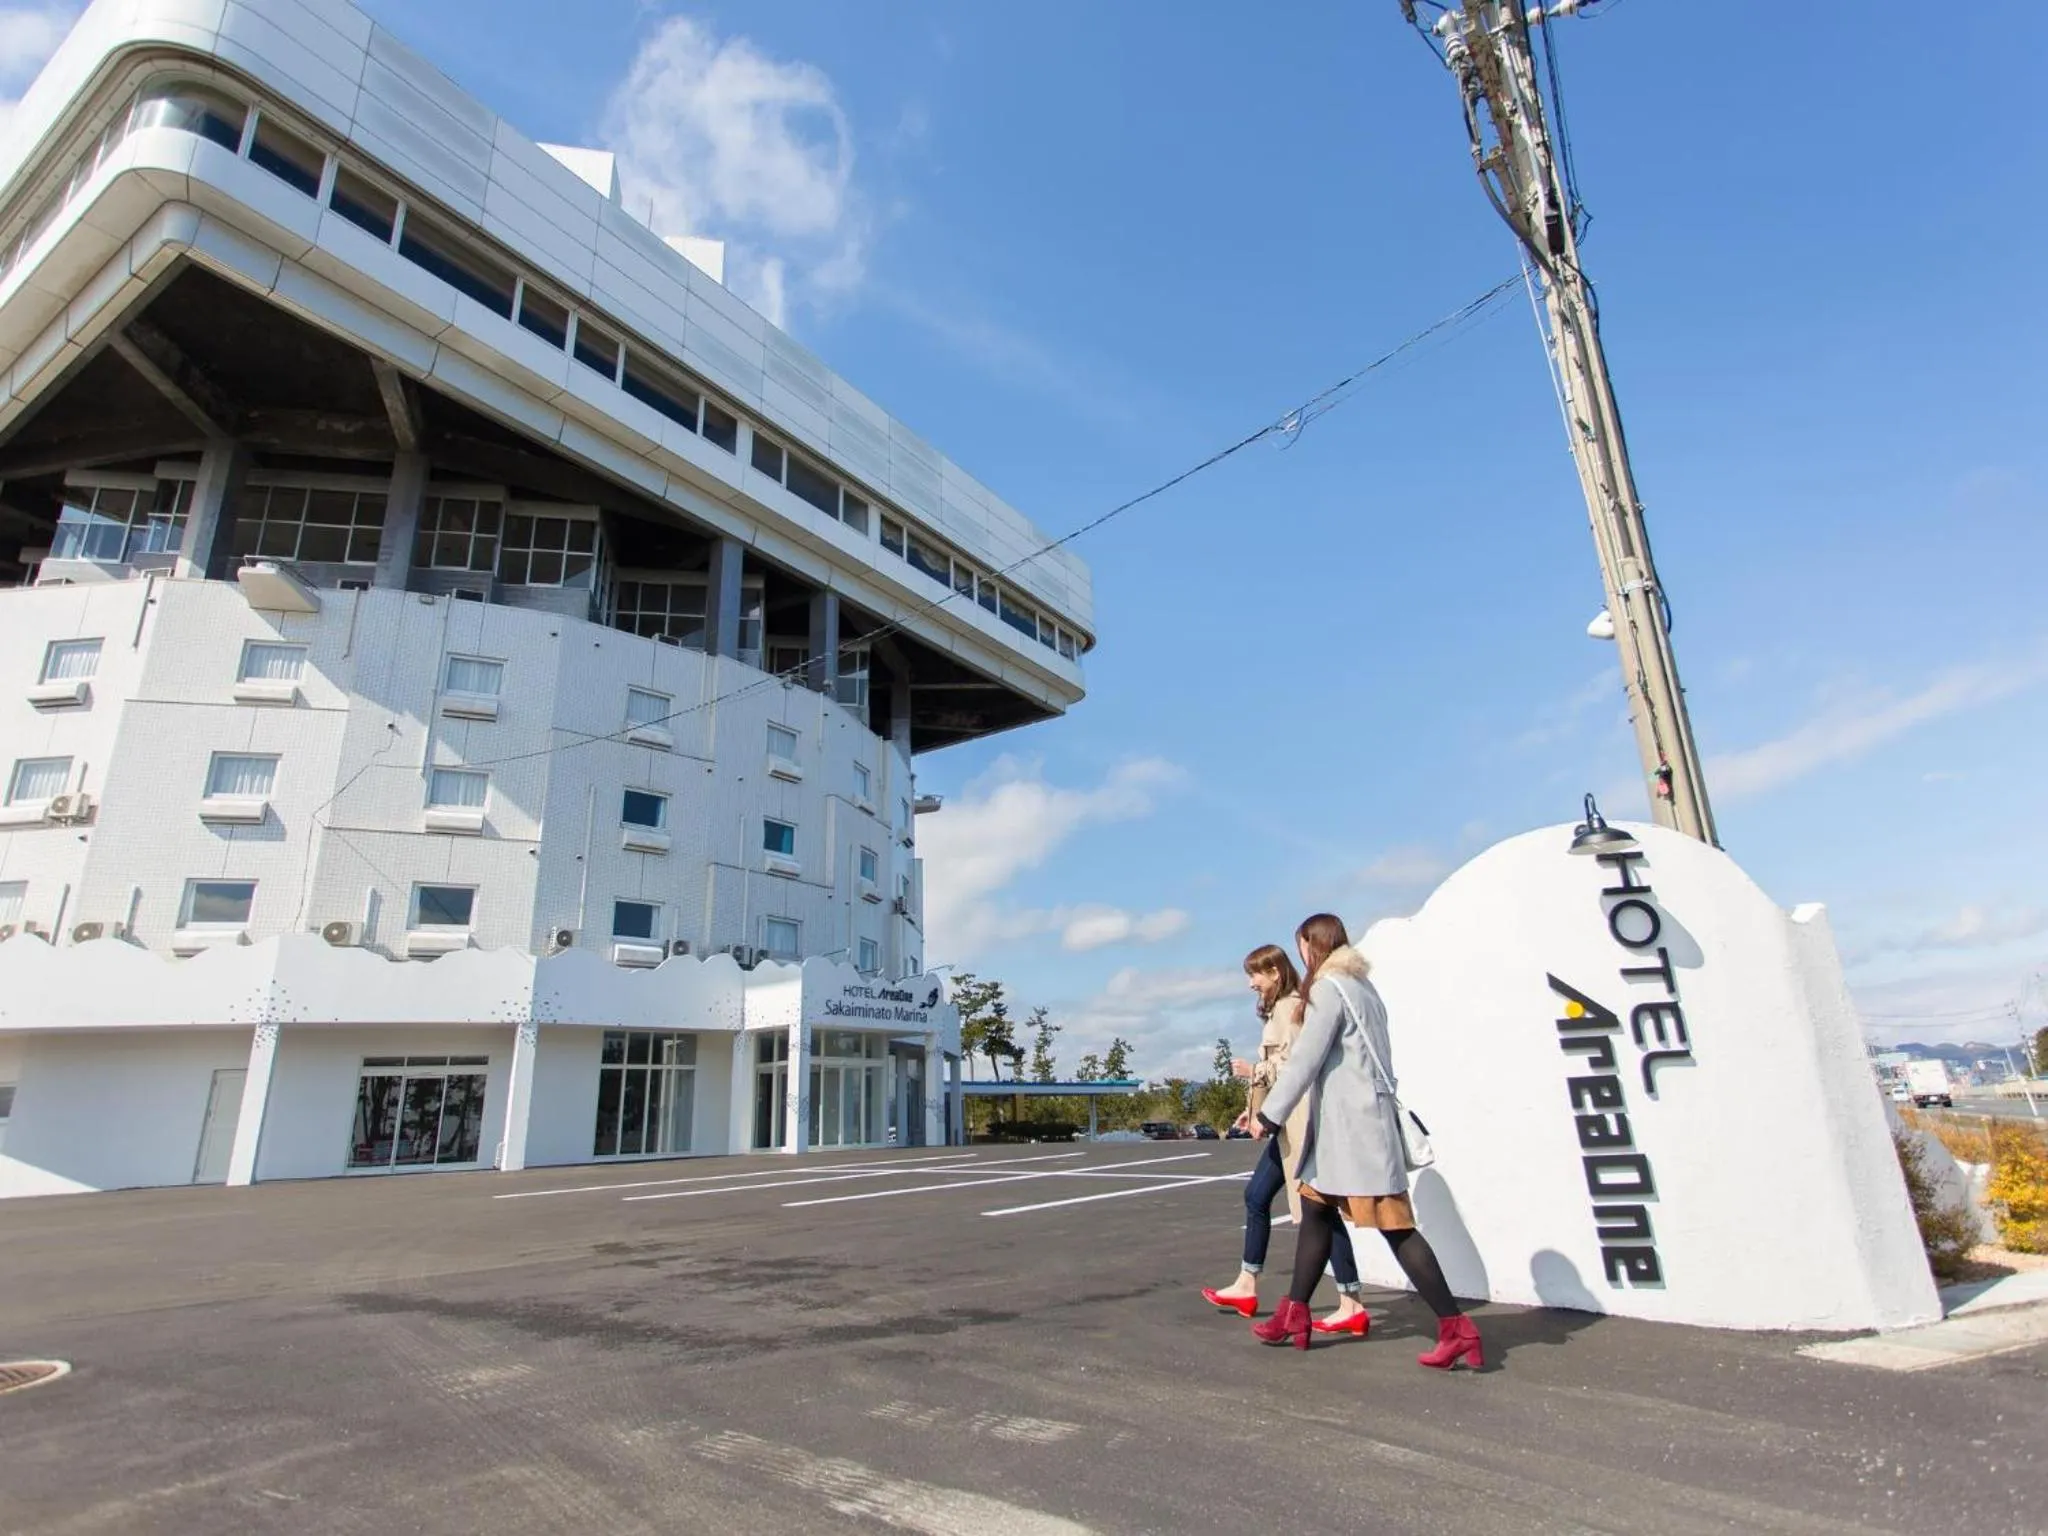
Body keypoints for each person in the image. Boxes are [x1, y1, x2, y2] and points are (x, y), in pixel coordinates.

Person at [1249, 913, 1482, 1369]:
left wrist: (1269, 1114)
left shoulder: (1328, 989)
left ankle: (1457, 1327)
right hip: (1353, 1130)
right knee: (1315, 1210)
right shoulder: (1365, 990)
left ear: (1311, 945)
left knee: (1395, 1225)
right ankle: (1294, 1313)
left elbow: (1305, 1061)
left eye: (1301, 947)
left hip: (1353, 1134)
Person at [1199, 944, 1369, 1334]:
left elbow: (1295, 1063)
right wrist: (1255, 1108)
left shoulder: (1293, 1007)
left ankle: (1351, 1301)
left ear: (1275, 971)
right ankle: (1247, 1284)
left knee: (1318, 1209)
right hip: (1285, 1123)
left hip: (1298, 1124)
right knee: (1258, 1197)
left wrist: (1254, 1071)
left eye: (1255, 974)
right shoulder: (1281, 1008)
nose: (1250, 983)